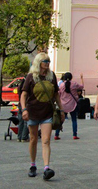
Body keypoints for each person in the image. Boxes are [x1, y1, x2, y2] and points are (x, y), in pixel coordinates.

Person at [20, 52, 65, 181]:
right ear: (39, 62)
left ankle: (46, 168)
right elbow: (23, 95)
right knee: (33, 139)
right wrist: (24, 109)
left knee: (46, 140)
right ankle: (33, 165)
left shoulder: (51, 77)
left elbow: (56, 95)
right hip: (33, 112)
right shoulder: (31, 77)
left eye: (49, 61)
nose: (47, 63)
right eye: (45, 61)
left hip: (47, 113)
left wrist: (61, 110)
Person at [54, 72, 83, 141]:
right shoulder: (74, 84)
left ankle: (56, 134)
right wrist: (82, 78)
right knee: (74, 120)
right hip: (73, 104)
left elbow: (58, 94)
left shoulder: (61, 85)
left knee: (61, 120)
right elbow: (81, 86)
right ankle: (74, 135)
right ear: (71, 77)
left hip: (63, 105)